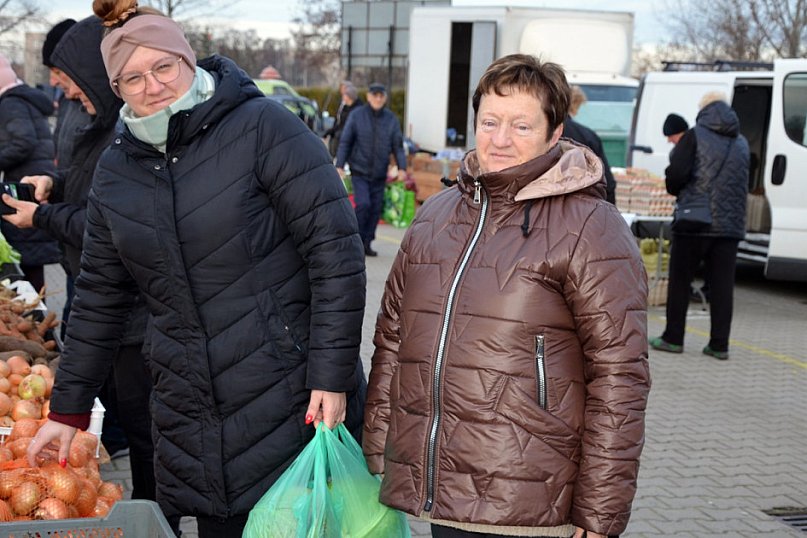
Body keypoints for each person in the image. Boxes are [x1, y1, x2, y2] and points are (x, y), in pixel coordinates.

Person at [25, 2, 367, 536]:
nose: (153, 86)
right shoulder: (117, 169)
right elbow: (98, 296)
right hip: (191, 409)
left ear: (187, 60)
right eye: (133, 78)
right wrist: (68, 409)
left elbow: (336, 255)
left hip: (288, 391)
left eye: (163, 66)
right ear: (116, 89)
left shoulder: (264, 127)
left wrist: (331, 372)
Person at [363, 54, 650, 538]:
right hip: (442, 490)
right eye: (489, 122)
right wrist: (378, 443)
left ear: (555, 133)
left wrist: (601, 509)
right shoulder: (436, 216)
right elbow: (393, 337)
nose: (499, 140)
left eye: (521, 125)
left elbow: (620, 374)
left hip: (528, 497)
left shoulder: (590, 226)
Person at [5, 13, 155, 496]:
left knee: (145, 428)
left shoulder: (126, 132)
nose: (63, 89)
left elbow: (104, 224)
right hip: (109, 301)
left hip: (134, 310)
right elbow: (93, 187)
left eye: (68, 78)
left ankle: (157, 513)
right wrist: (55, 183)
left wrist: (42, 217)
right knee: (129, 414)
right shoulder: (100, 126)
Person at [650, 92, 749, 361]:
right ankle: (719, 345)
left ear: (703, 110)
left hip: (694, 222)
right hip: (729, 227)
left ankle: (673, 338)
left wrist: (674, 184)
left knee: (680, 281)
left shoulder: (694, 136)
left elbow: (677, 175)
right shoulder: (741, 142)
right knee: (722, 286)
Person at [0, 55, 61, 292]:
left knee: (28, 262)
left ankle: (33, 313)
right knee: (33, 262)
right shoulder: (24, 98)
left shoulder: (10, 103)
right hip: (36, 183)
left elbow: (23, 142)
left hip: (25, 186)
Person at [336, 82, 407, 256]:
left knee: (375, 209)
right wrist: (339, 165)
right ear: (368, 97)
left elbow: (398, 146)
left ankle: (367, 243)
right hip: (359, 171)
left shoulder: (391, 119)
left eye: (381, 96)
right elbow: (346, 141)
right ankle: (357, 242)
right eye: (375, 95)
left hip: (379, 173)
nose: (378, 99)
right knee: (363, 205)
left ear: (385, 98)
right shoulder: (357, 116)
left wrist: (402, 167)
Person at [663, 112, 711, 304]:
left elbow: (676, 177)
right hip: (712, 213)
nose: (669, 141)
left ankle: (685, 296)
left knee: (683, 264)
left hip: (691, 212)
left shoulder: (687, 146)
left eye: (670, 136)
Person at [561, 85, 616, 204]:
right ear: (575, 104)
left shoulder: (542, 133)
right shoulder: (587, 136)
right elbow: (607, 182)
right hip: (583, 204)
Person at [324, 80, 362, 158]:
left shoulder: (356, 108)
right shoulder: (343, 105)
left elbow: (346, 124)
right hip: (338, 131)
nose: (342, 91)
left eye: (344, 89)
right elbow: (338, 118)